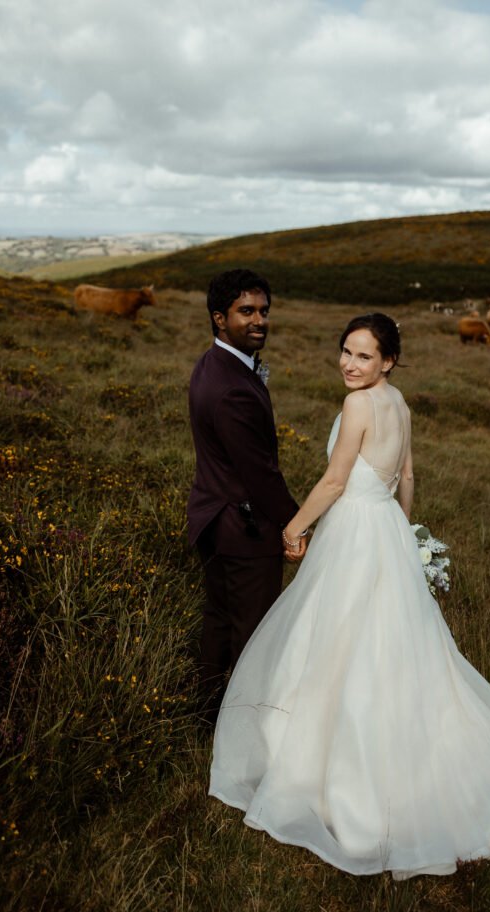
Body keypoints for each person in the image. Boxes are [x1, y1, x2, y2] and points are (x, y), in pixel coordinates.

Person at [209, 313, 490, 879]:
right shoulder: (400, 402)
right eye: (345, 352)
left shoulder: (359, 405)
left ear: (388, 360)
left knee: (336, 648)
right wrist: (402, 534)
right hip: (384, 528)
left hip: (354, 533)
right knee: (393, 654)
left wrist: (294, 528)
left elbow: (336, 482)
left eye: (364, 356)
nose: (349, 364)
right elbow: (407, 476)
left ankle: (337, 784)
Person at [187, 268, 305, 719]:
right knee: (254, 634)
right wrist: (296, 526)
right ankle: (244, 725)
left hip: (213, 517)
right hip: (244, 527)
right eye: (246, 311)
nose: (259, 320)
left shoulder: (211, 363)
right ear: (220, 318)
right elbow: (260, 475)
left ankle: (207, 715)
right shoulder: (232, 389)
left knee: (219, 620)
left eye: (264, 311)